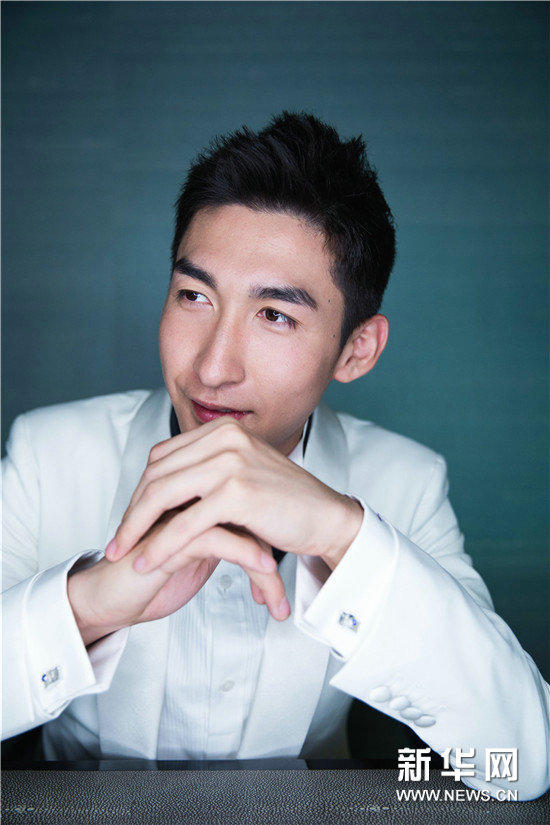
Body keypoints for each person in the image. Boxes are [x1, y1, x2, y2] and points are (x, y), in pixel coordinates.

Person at [2, 112, 549, 799]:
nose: (212, 367)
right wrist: (87, 605)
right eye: (194, 295)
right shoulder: (46, 453)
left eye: (275, 315)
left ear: (357, 349)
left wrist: (340, 532)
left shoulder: (407, 482)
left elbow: (519, 761)